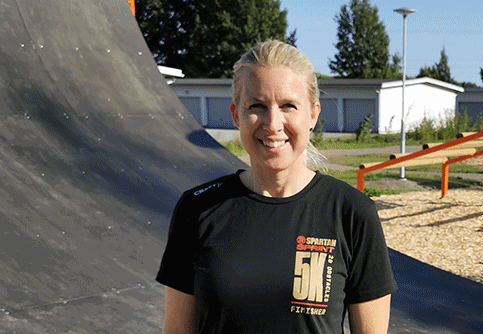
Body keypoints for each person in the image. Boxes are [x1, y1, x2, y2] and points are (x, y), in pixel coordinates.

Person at [156, 39, 397, 333]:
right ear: (236, 115)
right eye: (257, 105)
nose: (273, 123)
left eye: (288, 106)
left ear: (312, 115)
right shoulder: (197, 209)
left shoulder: (352, 214)